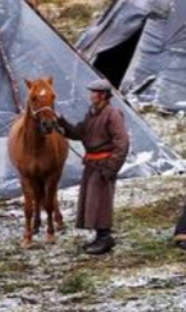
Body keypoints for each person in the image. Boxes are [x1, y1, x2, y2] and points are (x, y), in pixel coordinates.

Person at [56, 79, 130, 255]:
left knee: (101, 201)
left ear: (103, 95)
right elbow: (79, 132)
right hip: (92, 164)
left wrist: (111, 167)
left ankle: (105, 238)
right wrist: (61, 122)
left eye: (94, 92)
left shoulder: (113, 114)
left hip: (104, 165)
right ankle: (99, 236)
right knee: (92, 201)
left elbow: (122, 143)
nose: (91, 95)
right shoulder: (92, 113)